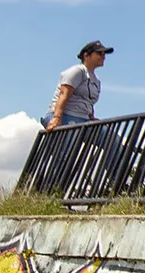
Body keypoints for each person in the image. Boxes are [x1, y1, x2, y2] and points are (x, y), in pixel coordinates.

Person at [42, 40, 125, 180]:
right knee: (66, 151)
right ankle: (52, 187)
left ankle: (117, 182)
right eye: (99, 53)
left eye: (104, 54)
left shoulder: (96, 81)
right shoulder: (77, 71)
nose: (103, 56)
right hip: (66, 116)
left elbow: (88, 102)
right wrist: (56, 118)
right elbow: (64, 93)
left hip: (83, 120)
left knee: (113, 140)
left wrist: (92, 118)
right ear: (86, 55)